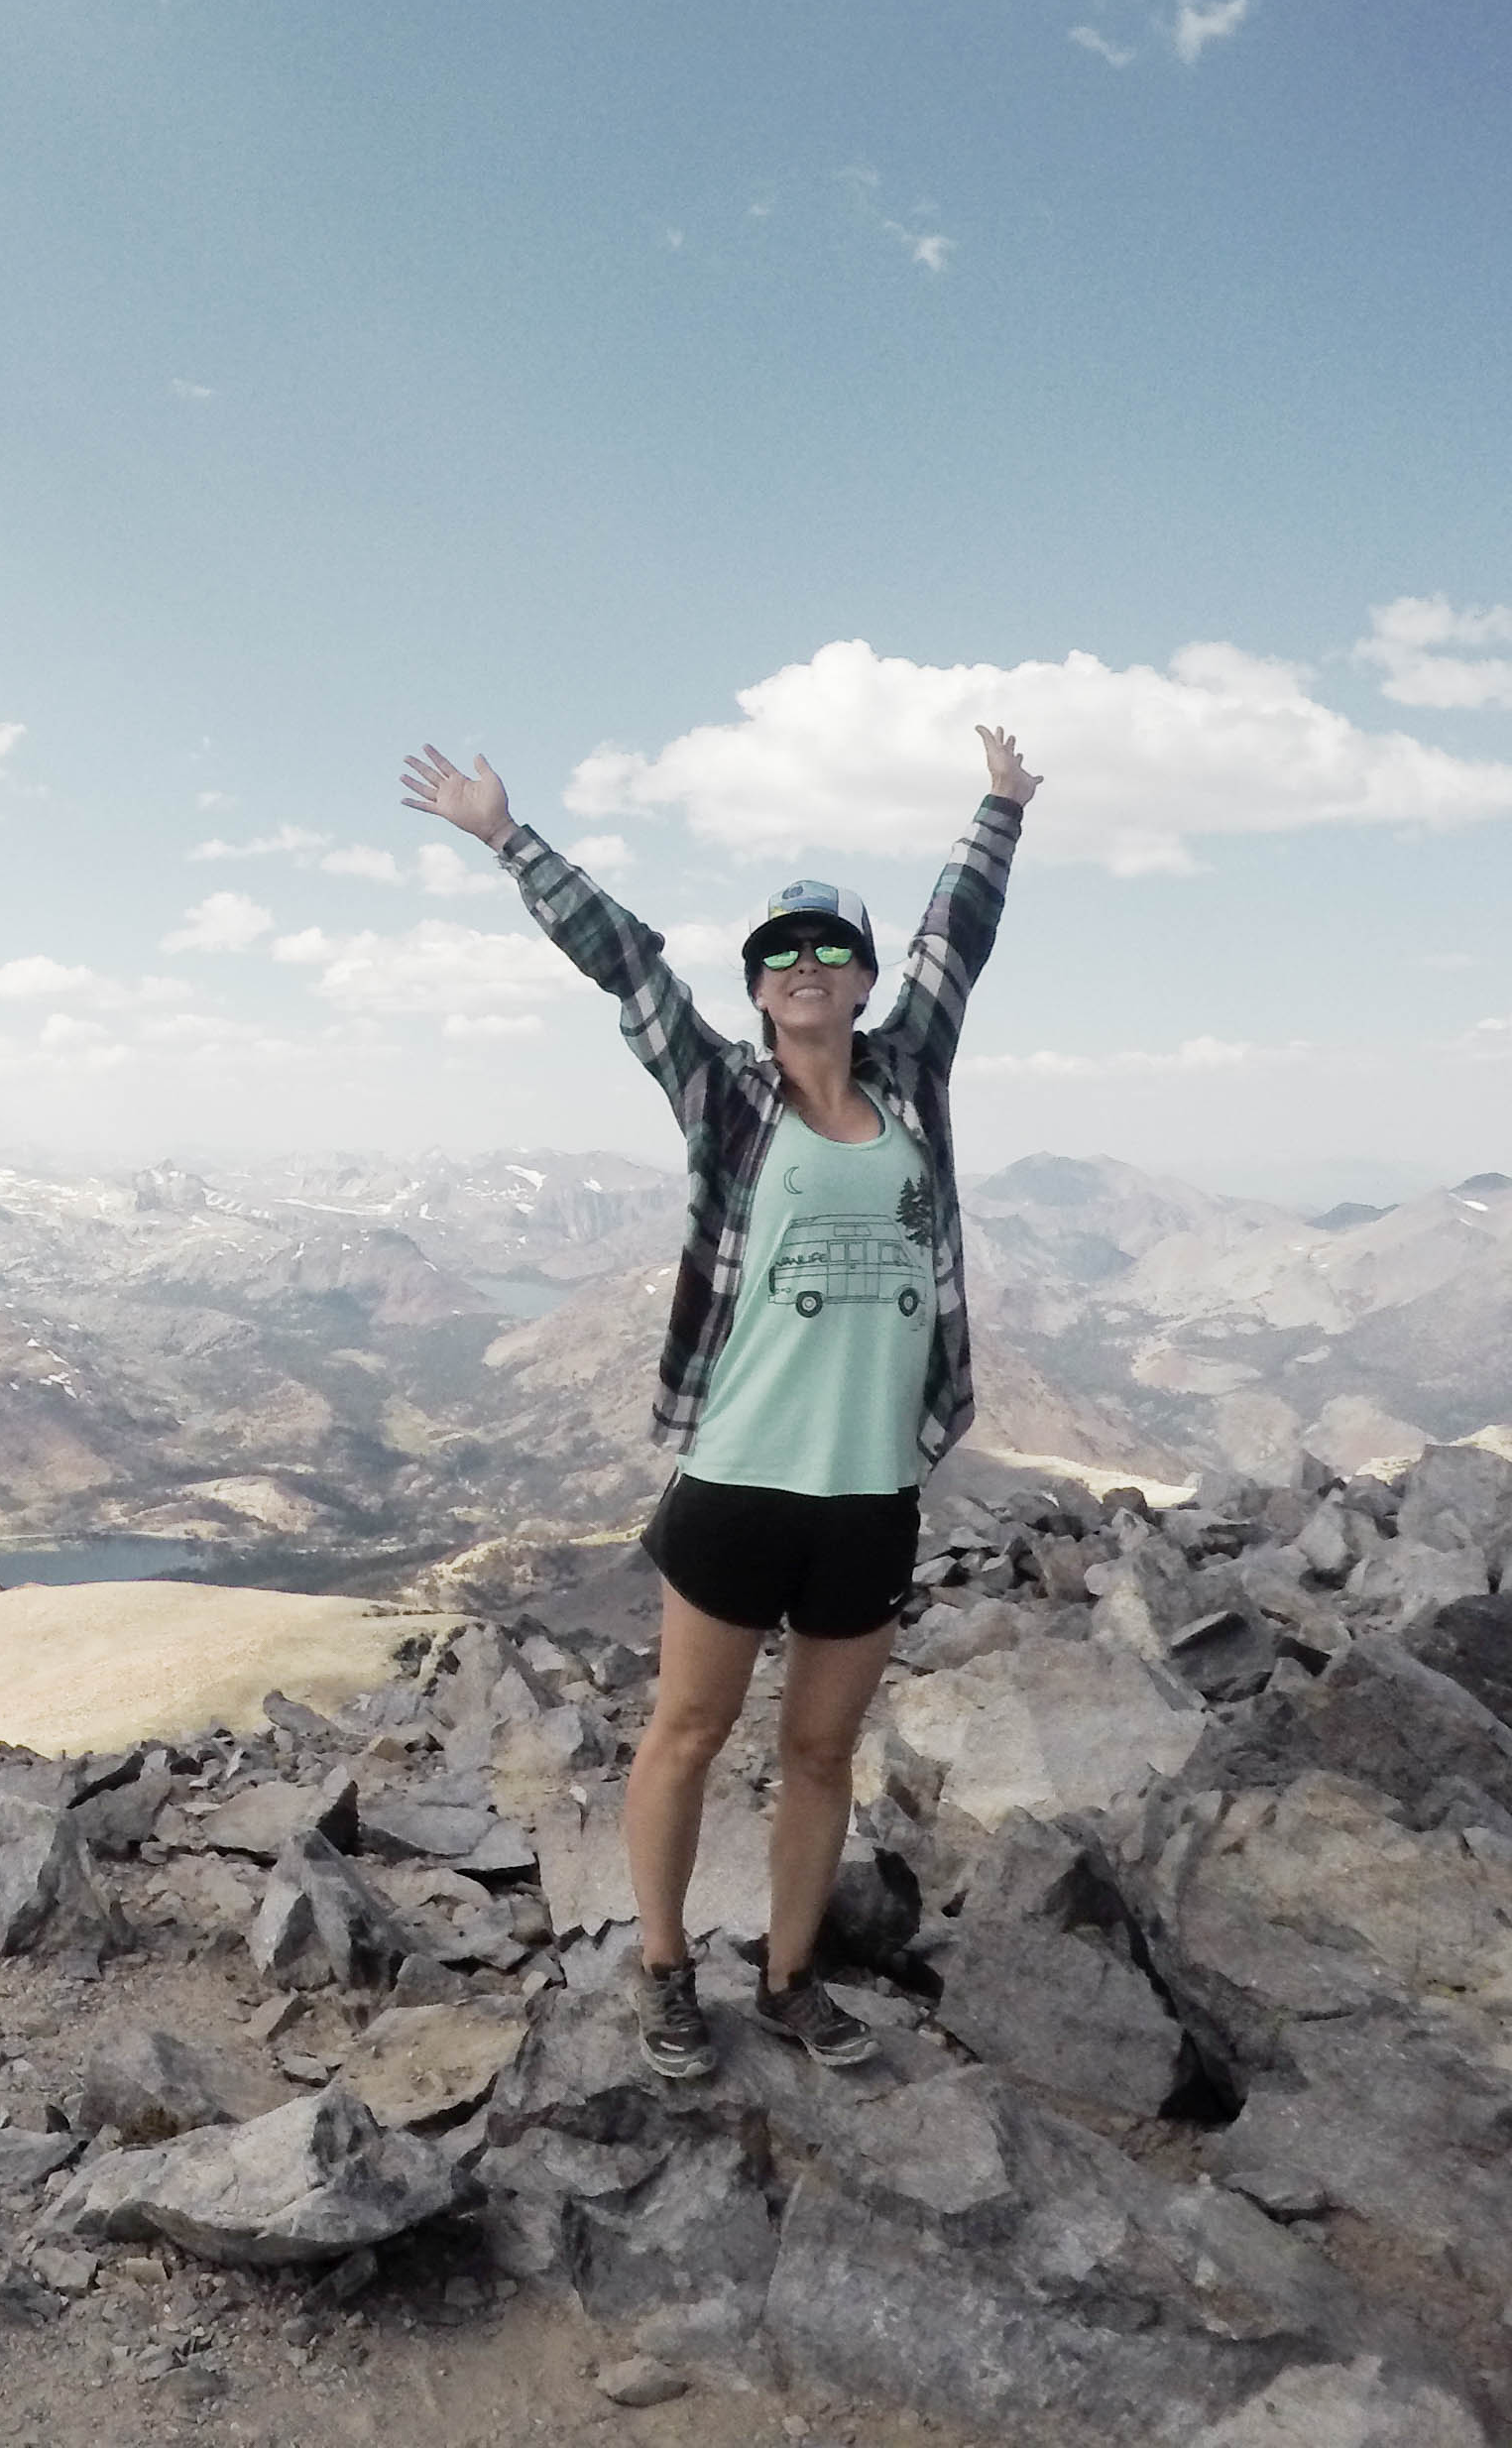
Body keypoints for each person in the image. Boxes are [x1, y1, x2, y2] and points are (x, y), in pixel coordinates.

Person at [397, 725, 1035, 2079]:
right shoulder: (725, 1097)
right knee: (686, 1731)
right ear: (758, 989)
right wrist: (510, 838)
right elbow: (625, 964)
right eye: (782, 956)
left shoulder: (911, 1074)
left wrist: (998, 811)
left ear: (861, 983)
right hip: (741, 1478)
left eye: (830, 952)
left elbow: (954, 944)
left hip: (870, 1490)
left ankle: (793, 1979)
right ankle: (667, 1968)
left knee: (818, 1753)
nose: (808, 971)